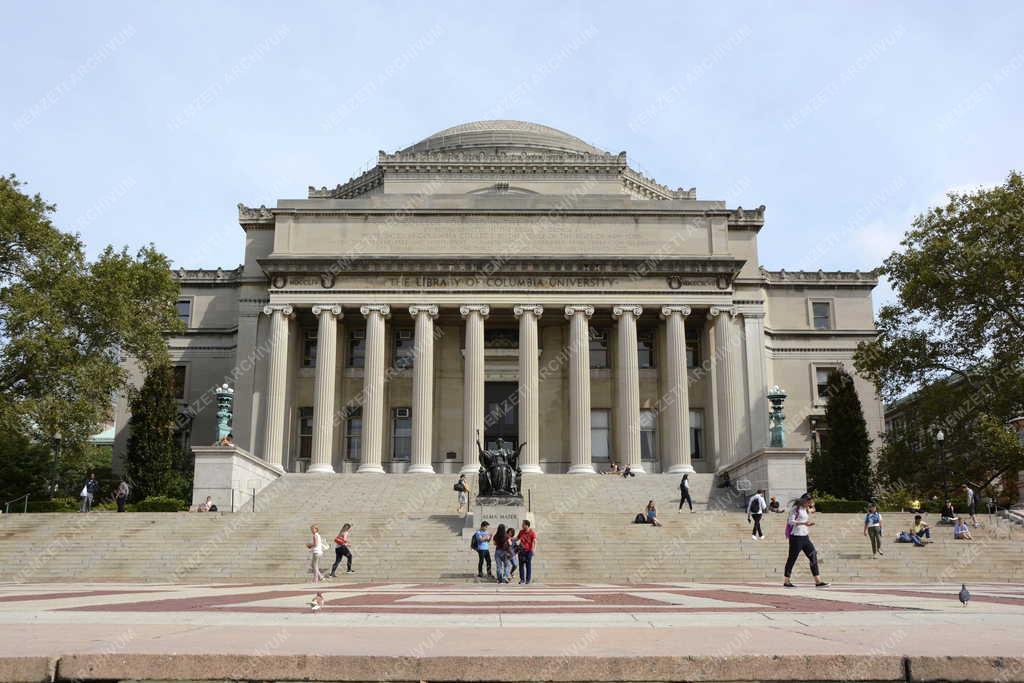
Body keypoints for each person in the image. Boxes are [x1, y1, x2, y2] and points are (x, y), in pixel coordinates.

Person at [783, 493, 829, 588]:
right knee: (792, 558)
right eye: (808, 502)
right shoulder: (795, 509)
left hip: (805, 536)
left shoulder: (806, 509)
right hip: (796, 537)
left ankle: (818, 581)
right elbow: (791, 521)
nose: (809, 504)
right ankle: (786, 581)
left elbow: (812, 510)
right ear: (804, 501)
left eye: (810, 502)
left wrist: (813, 507)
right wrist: (804, 523)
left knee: (813, 555)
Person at [516, 519, 537, 585]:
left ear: (527, 525)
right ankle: (522, 579)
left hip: (528, 551)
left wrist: (534, 550)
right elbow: (517, 538)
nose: (522, 525)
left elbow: (535, 541)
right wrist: (510, 538)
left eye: (523, 524)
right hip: (521, 551)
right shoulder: (521, 532)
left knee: (528, 565)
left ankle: (528, 580)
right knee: (521, 565)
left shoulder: (532, 532)